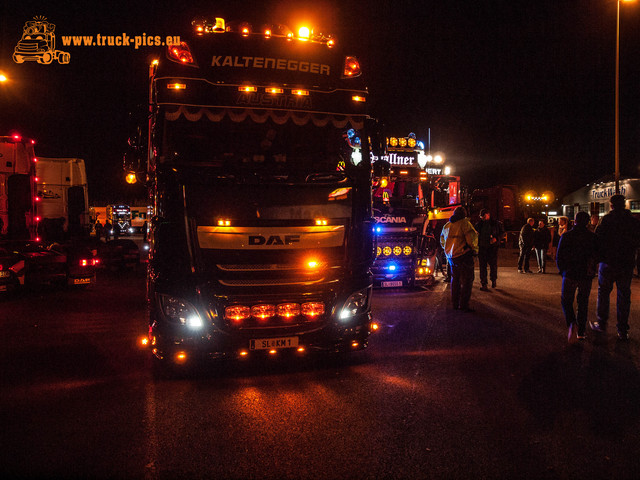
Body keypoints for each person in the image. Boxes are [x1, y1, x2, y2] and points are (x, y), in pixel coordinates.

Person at [591, 194, 640, 340]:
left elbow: (597, 239)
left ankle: (602, 323)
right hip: (626, 263)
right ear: (624, 204)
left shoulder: (606, 220)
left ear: (611, 205)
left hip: (608, 262)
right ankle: (623, 329)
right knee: (624, 295)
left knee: (603, 293)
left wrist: (598, 258)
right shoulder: (632, 221)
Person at [556, 211, 598, 341]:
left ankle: (571, 322)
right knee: (583, 302)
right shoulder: (592, 237)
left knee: (566, 300)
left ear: (575, 221)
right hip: (585, 273)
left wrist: (562, 270)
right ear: (587, 222)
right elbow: (596, 255)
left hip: (570, 273)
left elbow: (559, 255)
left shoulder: (567, 236)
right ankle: (581, 331)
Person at [440, 206, 478, 312]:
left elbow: (442, 241)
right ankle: (464, 304)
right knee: (467, 280)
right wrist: (474, 249)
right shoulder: (465, 223)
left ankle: (455, 304)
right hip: (464, 255)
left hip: (452, 257)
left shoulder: (447, 225)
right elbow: (471, 239)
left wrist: (448, 250)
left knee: (455, 279)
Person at [474, 209, 504, 290]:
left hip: (492, 248)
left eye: (484, 216)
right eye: (481, 217)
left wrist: (496, 238)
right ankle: (484, 283)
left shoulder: (496, 224)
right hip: (482, 248)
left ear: (488, 214)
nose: (482, 218)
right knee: (483, 266)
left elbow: (502, 233)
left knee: (493, 265)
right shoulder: (479, 225)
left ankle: (493, 280)